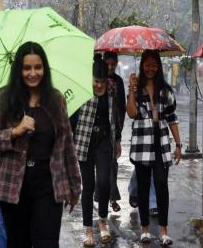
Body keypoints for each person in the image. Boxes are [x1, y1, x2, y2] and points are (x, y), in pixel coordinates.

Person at [0, 41, 81, 248]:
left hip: (49, 184)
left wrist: (75, 186)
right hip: (13, 187)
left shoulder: (56, 99)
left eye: (38, 67)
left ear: (44, 69)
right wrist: (15, 131)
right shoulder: (5, 96)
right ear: (19, 69)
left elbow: (67, 144)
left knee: (47, 242)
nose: (33, 73)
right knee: (18, 243)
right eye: (27, 68)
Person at [127, 49, 182, 246]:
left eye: (154, 65)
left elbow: (172, 118)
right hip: (142, 143)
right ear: (142, 65)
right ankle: (144, 229)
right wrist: (131, 91)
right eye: (147, 64)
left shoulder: (165, 90)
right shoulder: (137, 87)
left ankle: (163, 230)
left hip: (161, 142)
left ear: (158, 66)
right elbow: (132, 114)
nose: (150, 68)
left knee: (161, 184)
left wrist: (178, 144)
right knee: (142, 187)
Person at [71, 54, 121, 247]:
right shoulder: (82, 91)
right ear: (90, 78)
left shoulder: (111, 91)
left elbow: (115, 116)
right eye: (96, 82)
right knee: (88, 185)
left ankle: (102, 221)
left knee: (103, 182)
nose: (99, 86)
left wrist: (116, 140)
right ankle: (88, 230)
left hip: (103, 142)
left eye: (102, 82)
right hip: (84, 141)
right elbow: (71, 119)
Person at [101, 51, 125, 212]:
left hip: (113, 129)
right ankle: (103, 197)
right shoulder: (96, 79)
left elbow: (122, 109)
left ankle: (112, 197)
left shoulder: (118, 81)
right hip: (98, 131)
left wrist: (118, 137)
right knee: (101, 169)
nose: (110, 67)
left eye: (113, 65)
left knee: (112, 165)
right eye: (108, 64)